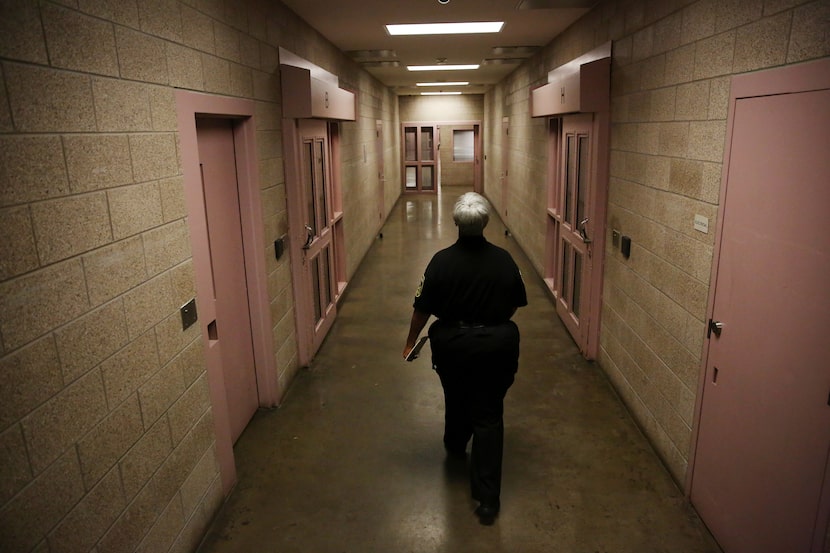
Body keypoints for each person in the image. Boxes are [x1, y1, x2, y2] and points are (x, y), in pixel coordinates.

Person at [403, 192, 528, 525]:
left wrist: (410, 343)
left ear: (456, 223)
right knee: (488, 414)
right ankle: (487, 499)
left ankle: (456, 442)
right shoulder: (504, 260)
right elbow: (515, 303)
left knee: (456, 395)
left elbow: (422, 309)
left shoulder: (440, 262)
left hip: (453, 345)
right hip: (497, 345)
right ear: (486, 222)